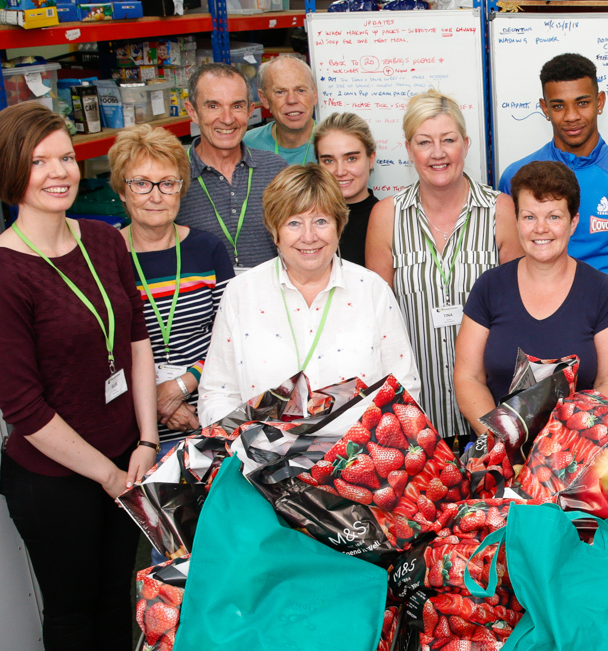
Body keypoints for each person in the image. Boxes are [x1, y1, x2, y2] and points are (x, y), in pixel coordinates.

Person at [0, 102, 158, 651]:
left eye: (64, 158)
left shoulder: (103, 239)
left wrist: (144, 439)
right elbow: (23, 406)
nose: (57, 172)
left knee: (116, 594)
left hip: (121, 456)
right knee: (74, 608)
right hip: (53, 479)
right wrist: (106, 473)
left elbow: (135, 338)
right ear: (7, 172)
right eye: (38, 161)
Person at [199, 164, 420, 425]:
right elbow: (217, 393)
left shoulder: (372, 290)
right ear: (274, 231)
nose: (309, 236)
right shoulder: (241, 293)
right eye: (293, 223)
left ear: (339, 226)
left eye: (321, 221)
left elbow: (403, 391)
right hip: (266, 460)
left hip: (355, 459)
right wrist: (249, 446)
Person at [367, 89, 520, 441]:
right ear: (408, 149)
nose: (438, 153)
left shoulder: (501, 211)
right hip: (414, 415)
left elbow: (518, 311)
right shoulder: (386, 217)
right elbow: (377, 322)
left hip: (490, 409)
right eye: (424, 142)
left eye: (448, 140)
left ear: (465, 144)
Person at [455, 161, 608, 433]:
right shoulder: (489, 287)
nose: (540, 228)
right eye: (529, 217)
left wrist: (560, 446)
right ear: (516, 221)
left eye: (554, 217)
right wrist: (500, 440)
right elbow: (469, 377)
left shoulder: (602, 291)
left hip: (574, 456)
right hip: (500, 454)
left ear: (573, 223)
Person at [498, 53, 608, 311]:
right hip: (535, 326)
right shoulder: (515, 178)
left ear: (600, 102)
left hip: (606, 331)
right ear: (545, 108)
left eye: (582, 103)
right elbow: (508, 256)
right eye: (559, 105)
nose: (571, 116)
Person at [108, 124, 235, 451]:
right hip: (137, 431)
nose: (155, 196)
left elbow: (235, 337)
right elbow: (103, 350)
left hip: (208, 412)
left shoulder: (207, 249)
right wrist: (160, 405)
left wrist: (181, 386)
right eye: (140, 183)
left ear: (181, 189)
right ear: (122, 190)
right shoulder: (105, 256)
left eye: (167, 183)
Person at [178, 63, 288, 271]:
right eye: (213, 106)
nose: (227, 119)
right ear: (192, 111)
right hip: (202, 302)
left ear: (250, 110)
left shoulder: (275, 170)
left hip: (269, 299)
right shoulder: (172, 178)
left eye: (237, 106)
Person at [314, 112, 379, 267]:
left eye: (351, 159)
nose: (340, 171)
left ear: (371, 160)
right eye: (328, 160)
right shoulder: (307, 221)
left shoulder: (388, 219)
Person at [244, 54, 319, 165]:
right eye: (280, 92)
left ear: (315, 95)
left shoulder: (336, 146)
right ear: (264, 98)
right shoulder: (245, 145)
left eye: (301, 90)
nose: (292, 100)